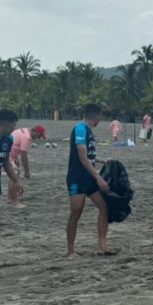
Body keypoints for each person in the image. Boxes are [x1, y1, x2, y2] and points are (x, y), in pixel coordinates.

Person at [65, 104, 114, 258]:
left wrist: (102, 160)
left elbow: (90, 156)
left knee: (105, 208)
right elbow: (82, 158)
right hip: (77, 179)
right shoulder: (80, 129)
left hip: (89, 178)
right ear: (97, 116)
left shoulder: (88, 130)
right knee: (76, 213)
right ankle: (71, 251)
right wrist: (99, 178)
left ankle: (102, 246)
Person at [7, 124, 47, 208]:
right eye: (39, 136)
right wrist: (27, 171)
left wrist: (15, 159)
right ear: (34, 131)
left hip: (9, 154)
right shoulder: (27, 138)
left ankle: (10, 198)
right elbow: (24, 156)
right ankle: (15, 202)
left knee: (13, 176)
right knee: (15, 175)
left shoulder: (25, 130)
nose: (38, 138)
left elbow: (15, 144)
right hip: (8, 155)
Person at [0, 110, 24, 203]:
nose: (14, 129)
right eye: (13, 125)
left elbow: (6, 162)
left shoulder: (8, 139)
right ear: (4, 123)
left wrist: (16, 181)